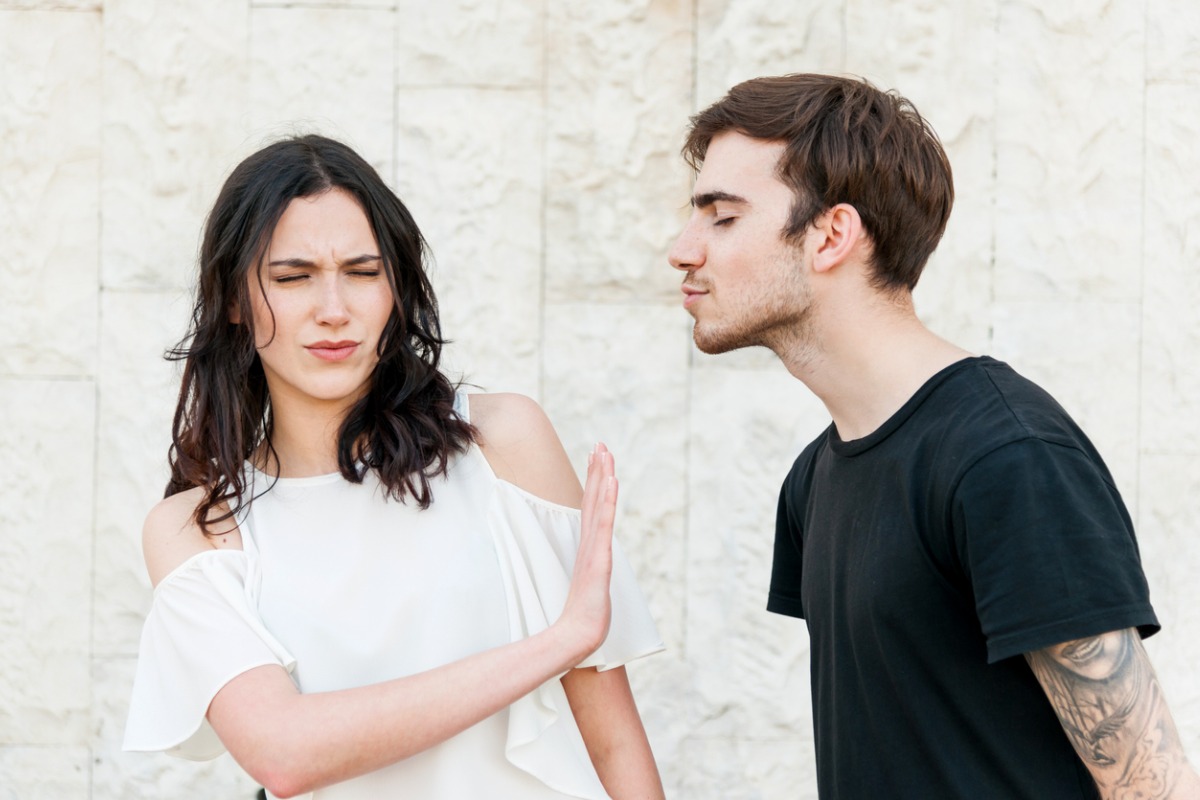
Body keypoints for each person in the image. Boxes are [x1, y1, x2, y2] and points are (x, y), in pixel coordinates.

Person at [668, 73, 1200, 799]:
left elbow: (1152, 783)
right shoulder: (813, 479)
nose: (681, 249)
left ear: (831, 236)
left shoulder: (1006, 460)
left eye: (722, 217)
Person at [124, 134, 666, 800]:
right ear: (235, 300)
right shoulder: (200, 528)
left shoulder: (502, 444)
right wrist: (560, 642)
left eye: (363, 272)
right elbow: (283, 753)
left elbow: (611, 743)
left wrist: (574, 644)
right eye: (293, 277)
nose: (334, 310)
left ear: (397, 289)